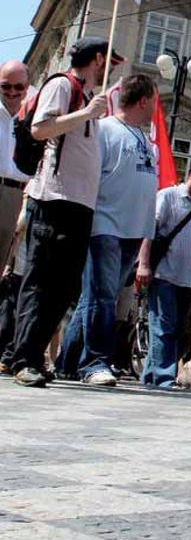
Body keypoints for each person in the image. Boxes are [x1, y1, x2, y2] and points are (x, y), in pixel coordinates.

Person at [8, 37, 114, 387]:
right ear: (97, 59)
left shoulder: (86, 95)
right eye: (109, 62)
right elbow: (40, 128)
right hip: (53, 198)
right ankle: (22, 358)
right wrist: (86, 113)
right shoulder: (62, 85)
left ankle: (32, 354)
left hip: (78, 203)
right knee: (41, 280)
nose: (111, 69)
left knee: (65, 286)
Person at [58, 73, 158, 385]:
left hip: (132, 228)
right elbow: (90, 176)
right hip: (105, 224)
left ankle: (67, 361)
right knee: (102, 297)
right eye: (154, 101)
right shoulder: (104, 130)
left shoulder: (144, 137)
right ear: (142, 101)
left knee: (97, 297)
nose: (156, 107)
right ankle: (95, 363)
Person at [138, 159, 191, 388]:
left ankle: (151, 376)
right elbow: (149, 230)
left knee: (182, 333)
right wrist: (144, 264)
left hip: (187, 279)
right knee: (163, 327)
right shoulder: (168, 196)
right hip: (164, 274)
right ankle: (163, 377)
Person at [0, 59, 32, 271]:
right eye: (5, 86)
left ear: (26, 87)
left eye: (18, 87)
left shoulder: (34, 114)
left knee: (8, 266)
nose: (12, 91)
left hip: (22, 196)